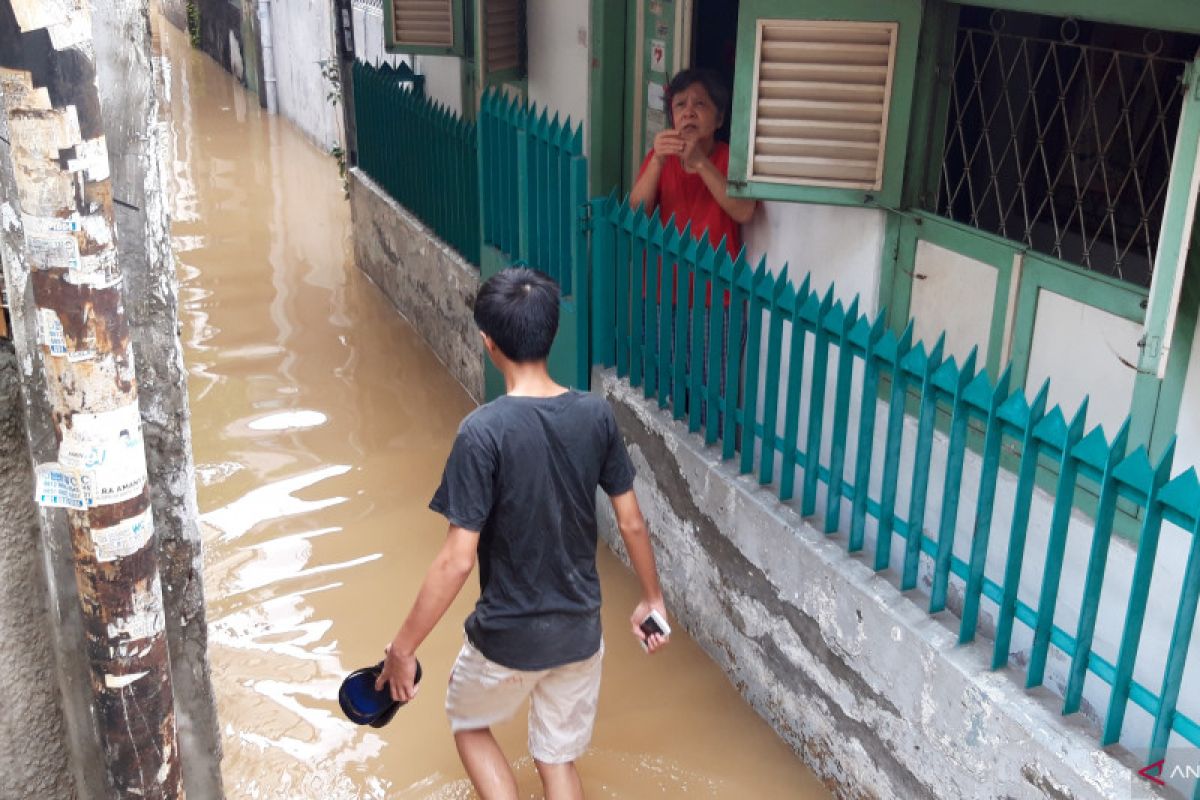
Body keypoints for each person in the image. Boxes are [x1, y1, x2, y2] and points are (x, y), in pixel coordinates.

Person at [376, 267, 669, 800]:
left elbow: (456, 561)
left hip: (507, 635)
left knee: (467, 723)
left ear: (488, 342)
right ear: (551, 333)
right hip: (581, 631)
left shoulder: (482, 432)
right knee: (556, 759)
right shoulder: (595, 416)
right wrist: (652, 600)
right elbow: (631, 521)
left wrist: (403, 648)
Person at [629, 68, 756, 256]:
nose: (688, 113)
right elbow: (636, 215)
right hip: (665, 278)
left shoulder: (732, 159)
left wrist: (700, 163)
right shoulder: (660, 157)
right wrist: (656, 160)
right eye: (680, 105)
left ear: (719, 119)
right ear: (672, 119)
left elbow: (745, 212)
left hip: (715, 280)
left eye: (700, 104)